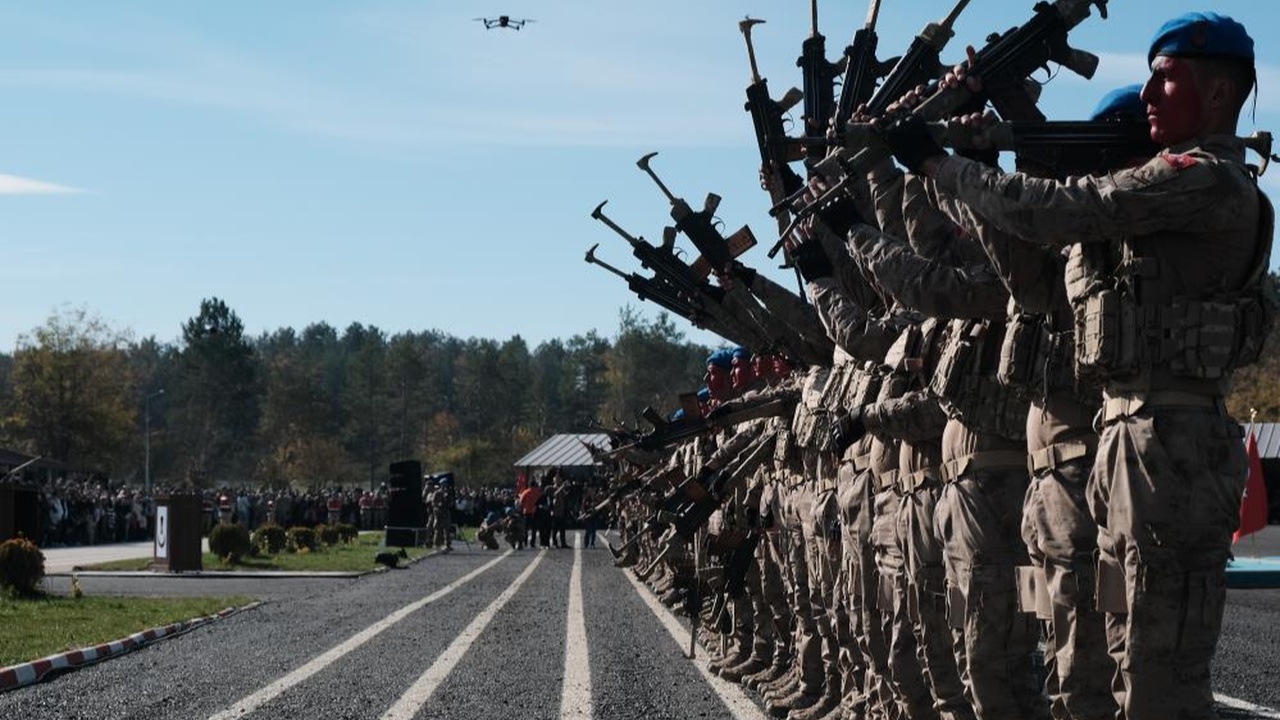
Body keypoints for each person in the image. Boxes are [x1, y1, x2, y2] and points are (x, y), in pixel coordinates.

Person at [883, 13, 1271, 719]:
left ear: (1220, 96)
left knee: (1158, 682)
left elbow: (1067, 206)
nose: (1150, 92)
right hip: (1131, 442)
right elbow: (1033, 276)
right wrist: (984, 134)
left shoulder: (1204, 180)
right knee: (1100, 661)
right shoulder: (1160, 201)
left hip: (1170, 445)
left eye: (1167, 76)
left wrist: (944, 163)